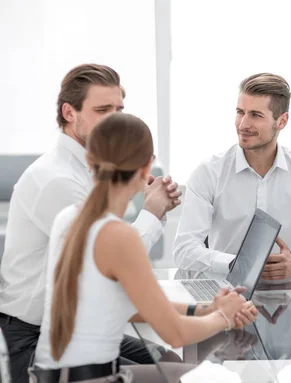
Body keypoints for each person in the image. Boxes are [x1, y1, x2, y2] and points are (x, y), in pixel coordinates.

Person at [30, 112, 258, 383]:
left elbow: (123, 302)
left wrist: (203, 311)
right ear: (146, 168)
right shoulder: (118, 236)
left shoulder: (68, 218)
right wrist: (225, 315)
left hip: (51, 375)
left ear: (89, 160)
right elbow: (176, 334)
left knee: (178, 369)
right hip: (89, 378)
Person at [0, 64, 181, 383]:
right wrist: (151, 212)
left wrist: (139, 186)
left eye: (119, 109)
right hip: (34, 339)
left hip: (74, 325)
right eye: (102, 110)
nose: (114, 119)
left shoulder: (92, 170)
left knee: (165, 358)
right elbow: (111, 264)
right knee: (164, 374)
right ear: (69, 112)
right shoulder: (58, 180)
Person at [173, 73, 291, 280]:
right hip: (224, 298)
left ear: (282, 121)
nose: (243, 124)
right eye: (240, 112)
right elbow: (184, 250)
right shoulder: (209, 172)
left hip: (288, 296)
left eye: (255, 115)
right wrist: (239, 265)